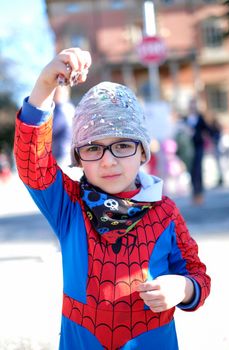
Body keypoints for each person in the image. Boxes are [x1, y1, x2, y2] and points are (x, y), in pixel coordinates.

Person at [14, 48, 211, 350]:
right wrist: (44, 87)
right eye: (93, 148)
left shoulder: (165, 212)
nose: (108, 161)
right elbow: (32, 162)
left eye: (122, 145)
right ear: (79, 158)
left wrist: (183, 287)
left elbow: (197, 274)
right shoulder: (70, 205)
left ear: (143, 152)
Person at [184, 99, 212, 205]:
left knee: (198, 169)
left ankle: (199, 193)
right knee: (191, 170)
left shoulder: (200, 118)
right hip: (188, 148)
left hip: (199, 146)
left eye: (194, 105)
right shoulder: (185, 118)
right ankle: (194, 193)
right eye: (191, 105)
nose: (192, 107)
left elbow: (208, 130)